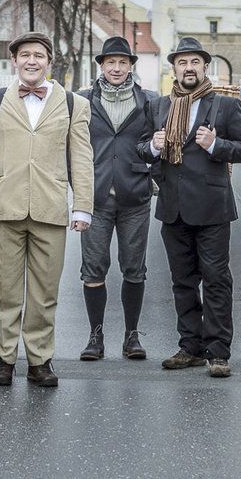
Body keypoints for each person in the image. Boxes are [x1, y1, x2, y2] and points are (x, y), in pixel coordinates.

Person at [0, 31, 94, 388]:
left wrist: (83, 206)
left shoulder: (72, 104)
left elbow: (81, 157)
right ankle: (4, 358)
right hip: (4, 207)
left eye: (39, 55)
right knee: (2, 289)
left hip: (50, 209)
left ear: (49, 62)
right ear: (15, 61)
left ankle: (39, 359)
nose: (31, 61)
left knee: (45, 291)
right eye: (25, 55)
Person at [136, 37, 241, 378]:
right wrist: (153, 147)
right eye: (182, 62)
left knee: (217, 279)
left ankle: (218, 351)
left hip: (212, 207)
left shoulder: (225, 106)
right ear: (173, 67)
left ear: (205, 67)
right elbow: (140, 150)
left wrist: (216, 144)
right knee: (182, 281)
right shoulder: (159, 107)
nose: (188, 68)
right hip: (173, 208)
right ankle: (190, 346)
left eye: (195, 62)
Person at [77, 36, 157, 361]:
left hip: (134, 196)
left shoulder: (149, 102)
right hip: (94, 197)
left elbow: (155, 141)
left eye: (123, 62)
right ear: (101, 65)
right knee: (93, 269)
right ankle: (95, 336)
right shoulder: (83, 101)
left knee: (134, 268)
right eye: (111, 62)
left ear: (131, 67)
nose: (117, 67)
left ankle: (131, 336)